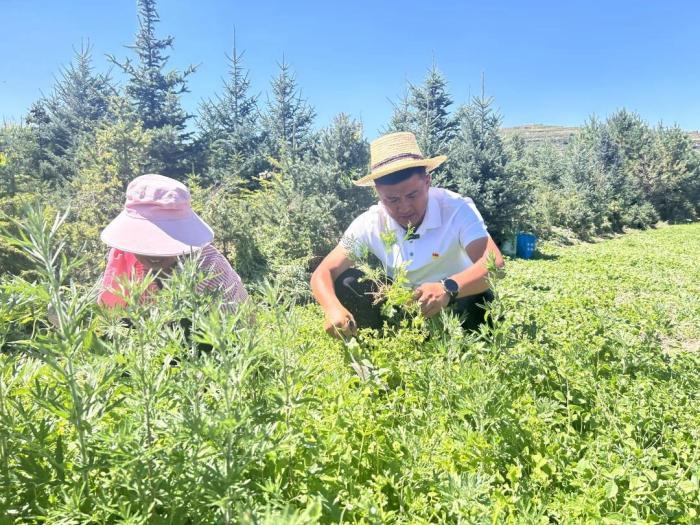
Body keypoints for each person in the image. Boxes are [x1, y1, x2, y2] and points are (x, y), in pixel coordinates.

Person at [310, 132, 504, 338]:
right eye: (392, 199)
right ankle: (383, 347)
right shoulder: (370, 223)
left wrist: (448, 288)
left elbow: (494, 264)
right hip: (405, 310)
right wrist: (331, 308)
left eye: (413, 195)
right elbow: (324, 272)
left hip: (457, 303)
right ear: (378, 193)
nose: (404, 207)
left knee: (479, 300)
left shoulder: (456, 208)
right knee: (347, 282)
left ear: (427, 182)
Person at [98, 174, 248, 310]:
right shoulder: (123, 256)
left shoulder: (209, 264)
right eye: (145, 239)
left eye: (167, 236)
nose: (155, 251)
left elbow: (231, 327)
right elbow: (111, 314)